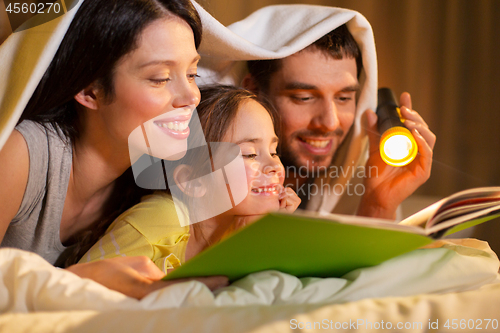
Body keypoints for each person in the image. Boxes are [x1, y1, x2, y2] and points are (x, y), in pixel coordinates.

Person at [0, 0, 228, 299]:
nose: (190, 97)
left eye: (192, 74)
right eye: (160, 78)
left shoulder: (152, 184)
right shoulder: (24, 154)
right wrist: (78, 280)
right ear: (89, 90)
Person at [80, 85, 301, 273]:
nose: (274, 166)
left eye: (274, 151)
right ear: (193, 181)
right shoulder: (162, 218)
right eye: (249, 154)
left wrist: (265, 237)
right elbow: (79, 287)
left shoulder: (241, 226)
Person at [240, 23, 436, 220]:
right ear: (253, 92)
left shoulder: (360, 176)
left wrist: (377, 206)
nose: (331, 122)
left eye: (343, 98)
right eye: (304, 97)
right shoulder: (218, 193)